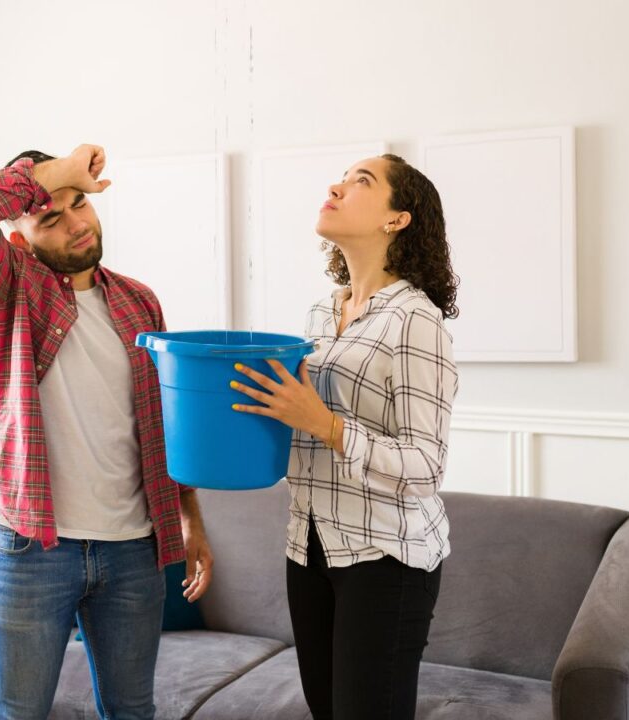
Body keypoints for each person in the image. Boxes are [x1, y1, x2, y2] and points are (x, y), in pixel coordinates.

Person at [0, 144, 214, 720]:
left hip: (134, 551)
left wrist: (189, 517)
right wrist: (60, 171)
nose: (76, 224)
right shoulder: (6, 290)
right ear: (19, 237)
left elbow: (168, 425)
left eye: (79, 205)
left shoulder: (141, 302)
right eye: (50, 216)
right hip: (33, 548)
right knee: (17, 712)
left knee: (132, 712)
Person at [231, 153, 459, 719]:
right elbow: (304, 428)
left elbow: (426, 468)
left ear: (396, 219)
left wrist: (325, 424)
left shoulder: (415, 321)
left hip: (385, 558)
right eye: (342, 177)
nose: (337, 185)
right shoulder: (320, 313)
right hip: (308, 547)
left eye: (362, 181)